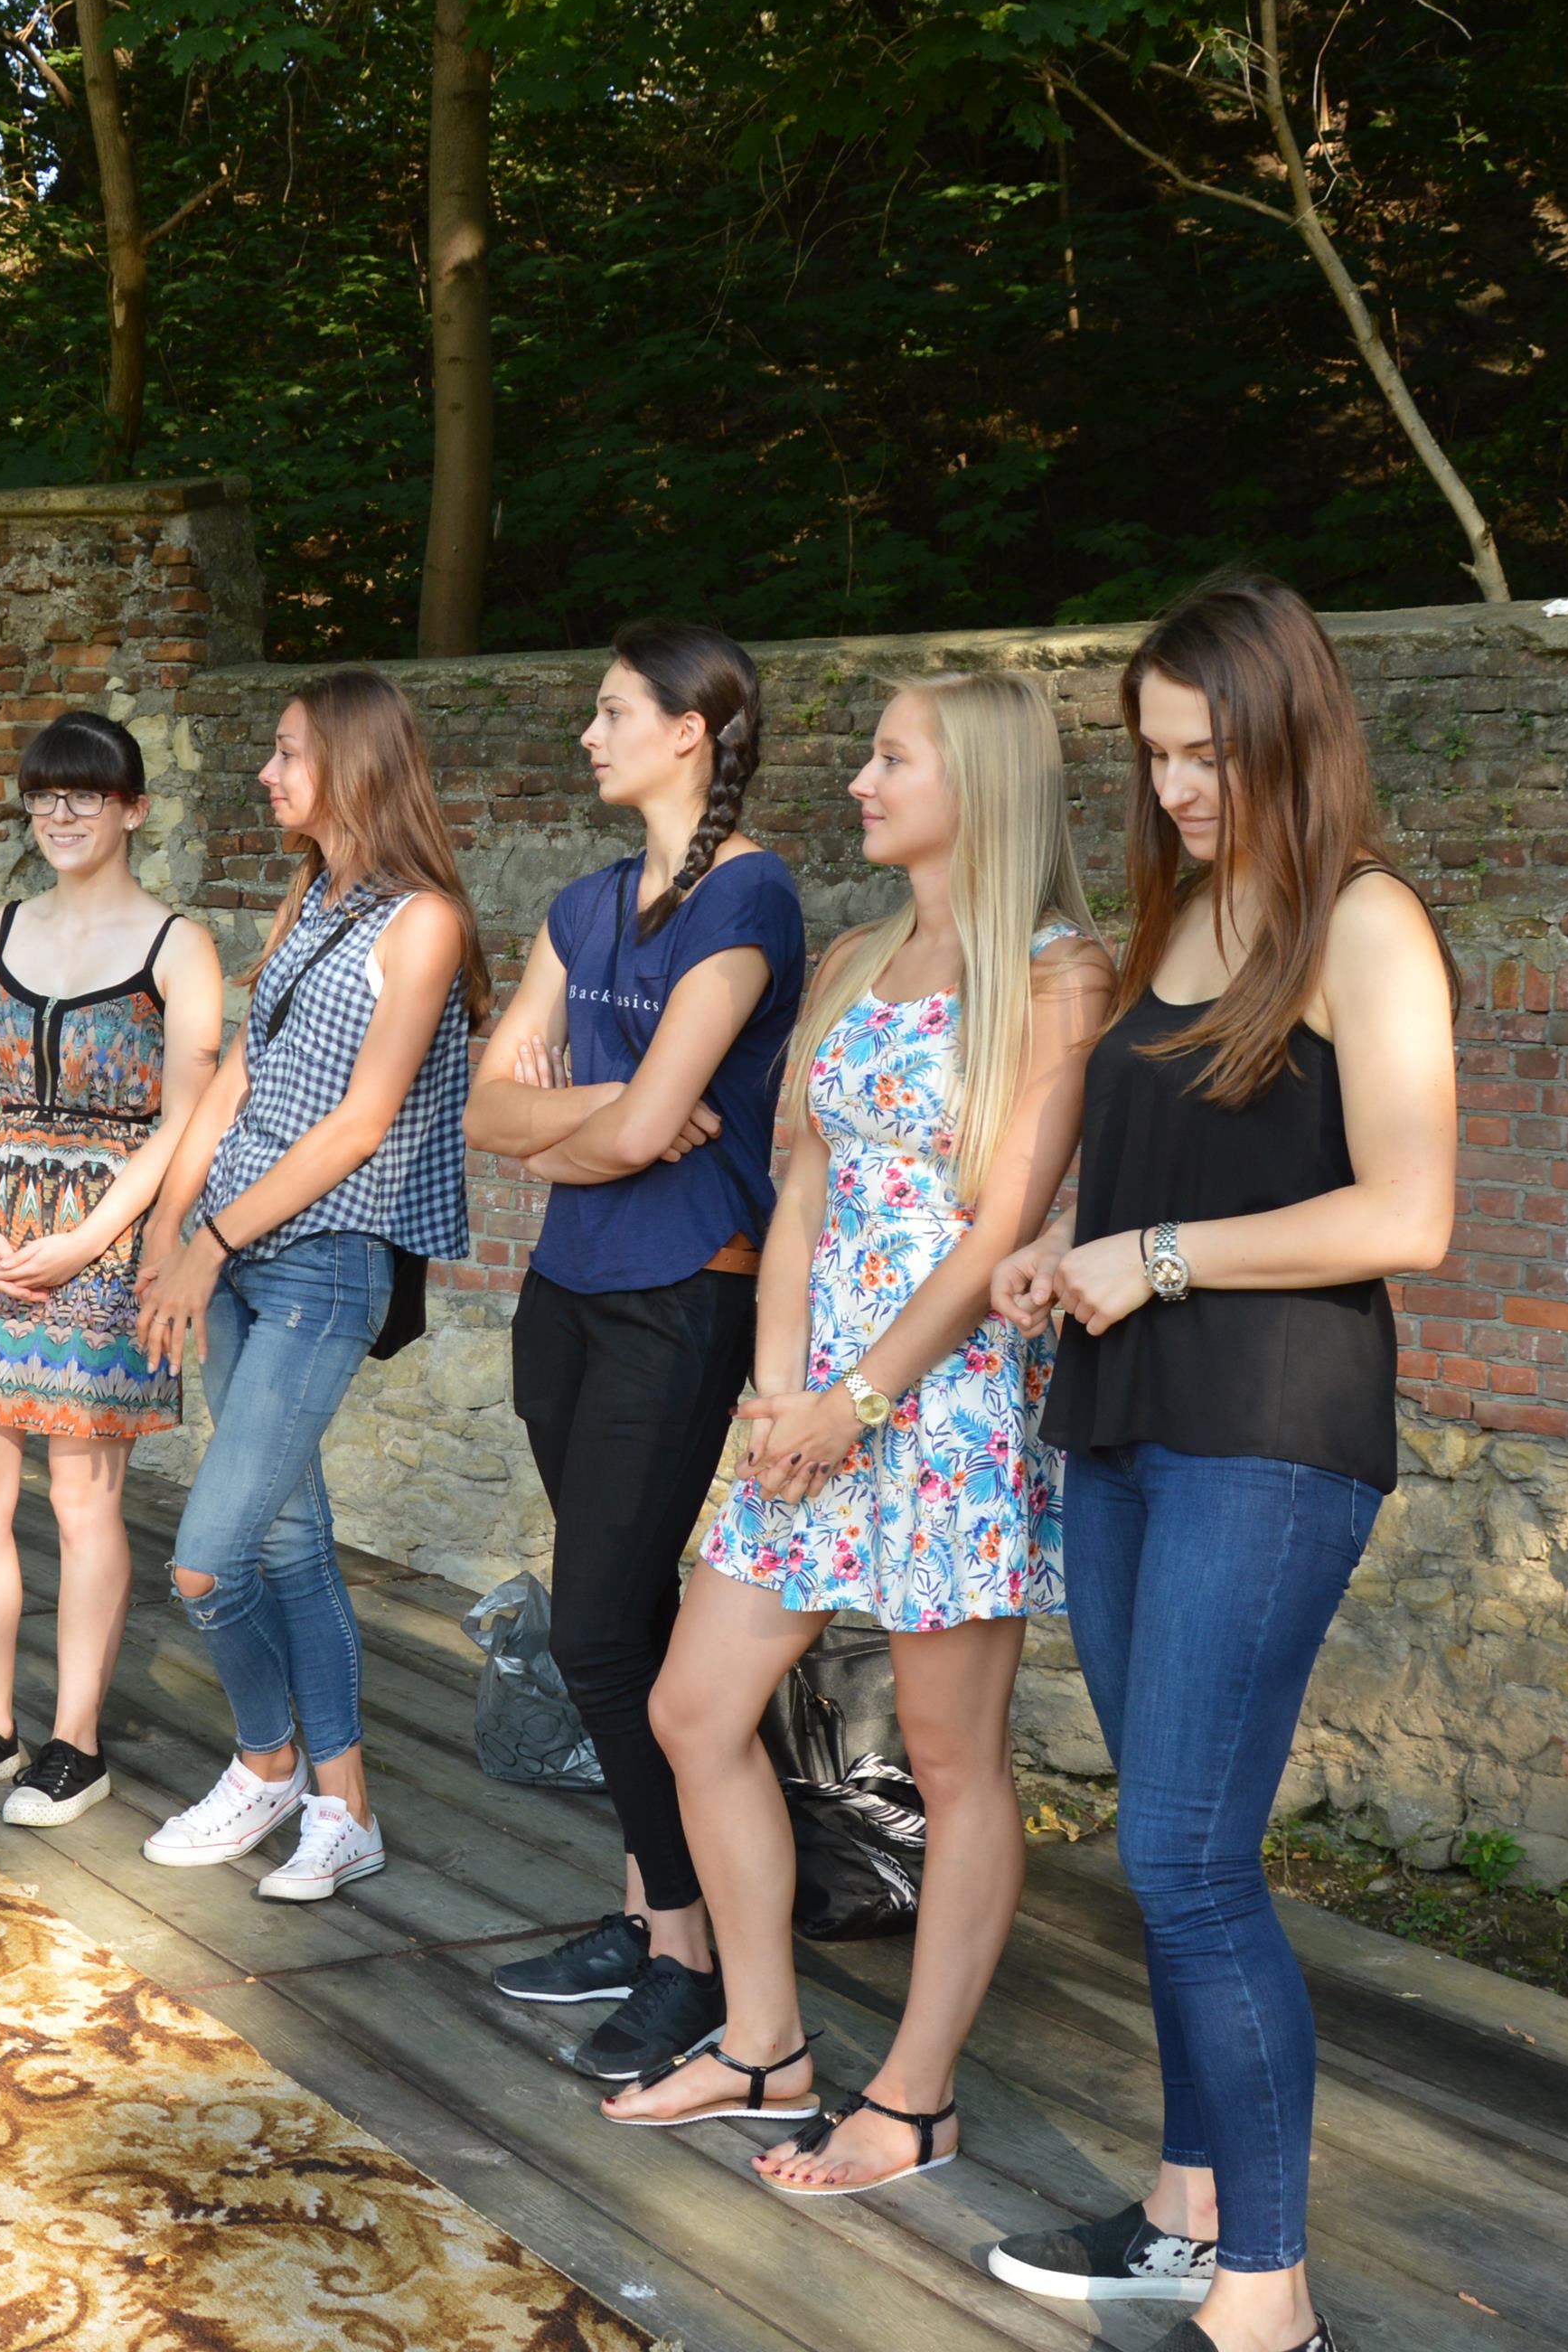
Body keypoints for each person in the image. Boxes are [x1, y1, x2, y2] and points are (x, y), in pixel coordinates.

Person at [980, 576, 1452, 2352]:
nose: (1177, 785)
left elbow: (1406, 1212)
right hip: (1122, 1426)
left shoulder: (1363, 922)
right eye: (1155, 752)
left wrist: (1157, 1256)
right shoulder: (1180, 911)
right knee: (1157, 1841)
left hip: (1267, 1435)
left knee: (1187, 1857)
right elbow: (1168, 1171)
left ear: (1288, 731)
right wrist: (1067, 1252)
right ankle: (1186, 2213)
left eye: (1207, 751)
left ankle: (1268, 2297)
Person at [600, 670, 1112, 2202]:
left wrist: (857, 1401)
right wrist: (779, 1391)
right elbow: (804, 1183)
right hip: (810, 1397)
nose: (861, 783)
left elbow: (999, 1231)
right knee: (695, 1708)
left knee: (951, 1761)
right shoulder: (854, 957)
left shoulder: (1059, 977)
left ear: (982, 784)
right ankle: (764, 2044)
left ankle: (914, 2094)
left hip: (942, 1405)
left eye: (893, 760)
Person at [464, 625, 803, 2083]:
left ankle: (688, 1956)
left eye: (611, 712)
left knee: (596, 1633)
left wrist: (589, 1124)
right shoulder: (583, 902)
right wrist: (595, 1129)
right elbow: (487, 1112)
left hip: (684, 1292)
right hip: (566, 1290)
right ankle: (647, 1907)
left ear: (688, 733)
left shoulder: (751, 896)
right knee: (625, 1623)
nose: (587, 736)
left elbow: (664, 1121)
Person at [132, 669, 486, 1903]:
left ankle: (265, 1760)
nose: (268, 773)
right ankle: (343, 1809)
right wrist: (168, 1228)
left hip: (322, 1260)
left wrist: (209, 1241)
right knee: (287, 1539)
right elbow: (235, 1078)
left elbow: (360, 1122)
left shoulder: (423, 923)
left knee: (204, 1562)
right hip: (232, 1252)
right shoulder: (312, 899)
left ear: (353, 762)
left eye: (289, 752)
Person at [0, 709, 221, 1827]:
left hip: (108, 1244)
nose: (60, 814)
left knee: (84, 1502)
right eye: (43, 795)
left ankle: (75, 1741)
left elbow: (186, 1117)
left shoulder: (177, 944)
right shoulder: (0, 928)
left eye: (85, 794)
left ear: (133, 808)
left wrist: (95, 1239)